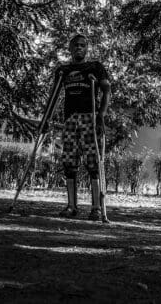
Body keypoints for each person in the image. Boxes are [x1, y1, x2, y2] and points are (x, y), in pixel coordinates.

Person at [53, 33, 111, 220]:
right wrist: (46, 120)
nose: (79, 48)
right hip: (70, 119)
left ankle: (96, 208)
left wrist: (101, 115)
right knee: (69, 162)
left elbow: (106, 90)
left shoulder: (95, 67)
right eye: (76, 45)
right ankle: (71, 206)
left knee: (93, 162)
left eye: (83, 45)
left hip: (89, 118)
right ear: (70, 49)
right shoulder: (63, 70)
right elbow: (54, 95)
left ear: (87, 49)